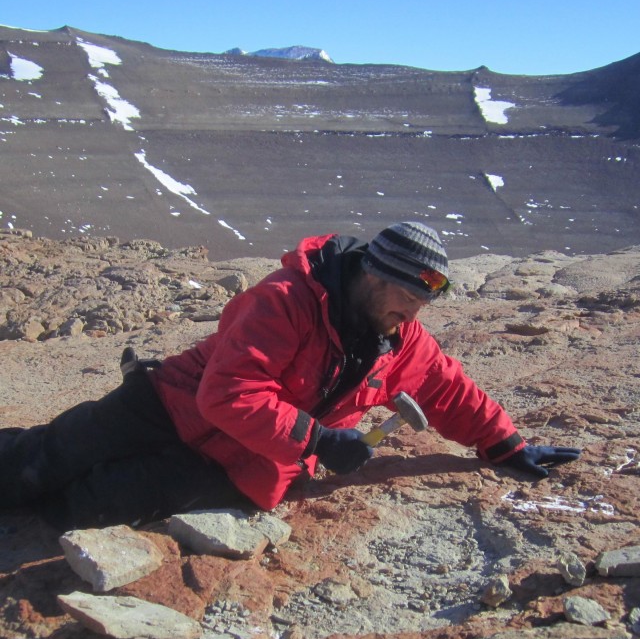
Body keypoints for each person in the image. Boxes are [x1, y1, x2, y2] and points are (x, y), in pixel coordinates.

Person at [0, 222, 580, 531]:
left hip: (241, 466)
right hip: (170, 402)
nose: (414, 315)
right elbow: (228, 392)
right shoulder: (286, 299)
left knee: (85, 510)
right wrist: (320, 440)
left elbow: (449, 389)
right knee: (44, 458)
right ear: (374, 277)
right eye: (409, 298)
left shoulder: (399, 337)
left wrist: (504, 444)